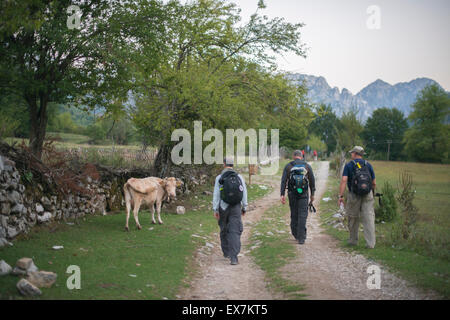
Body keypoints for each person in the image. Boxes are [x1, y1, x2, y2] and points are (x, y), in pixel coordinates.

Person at [338, 146, 377, 248]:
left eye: (352, 153)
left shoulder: (349, 165)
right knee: (369, 218)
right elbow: (373, 182)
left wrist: (341, 196)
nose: (351, 155)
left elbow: (344, 180)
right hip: (367, 194)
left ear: (355, 153)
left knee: (353, 217)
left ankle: (353, 241)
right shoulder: (368, 165)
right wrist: (371, 193)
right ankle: (370, 244)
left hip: (354, 194)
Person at [213, 157, 248, 265]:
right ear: (233, 165)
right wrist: (244, 207)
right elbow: (244, 192)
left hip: (223, 207)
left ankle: (226, 251)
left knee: (224, 228)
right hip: (236, 206)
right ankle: (234, 257)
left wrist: (215, 209)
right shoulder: (239, 177)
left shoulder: (219, 178)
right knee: (235, 231)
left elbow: (216, 195)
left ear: (224, 164)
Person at [280, 150, 315, 244]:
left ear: (293, 156)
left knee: (294, 213)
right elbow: (312, 181)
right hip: (303, 194)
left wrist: (282, 194)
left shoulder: (288, 166)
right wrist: (312, 195)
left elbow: (284, 181)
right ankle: (301, 238)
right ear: (301, 156)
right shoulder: (307, 166)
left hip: (292, 193)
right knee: (303, 214)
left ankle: (295, 234)